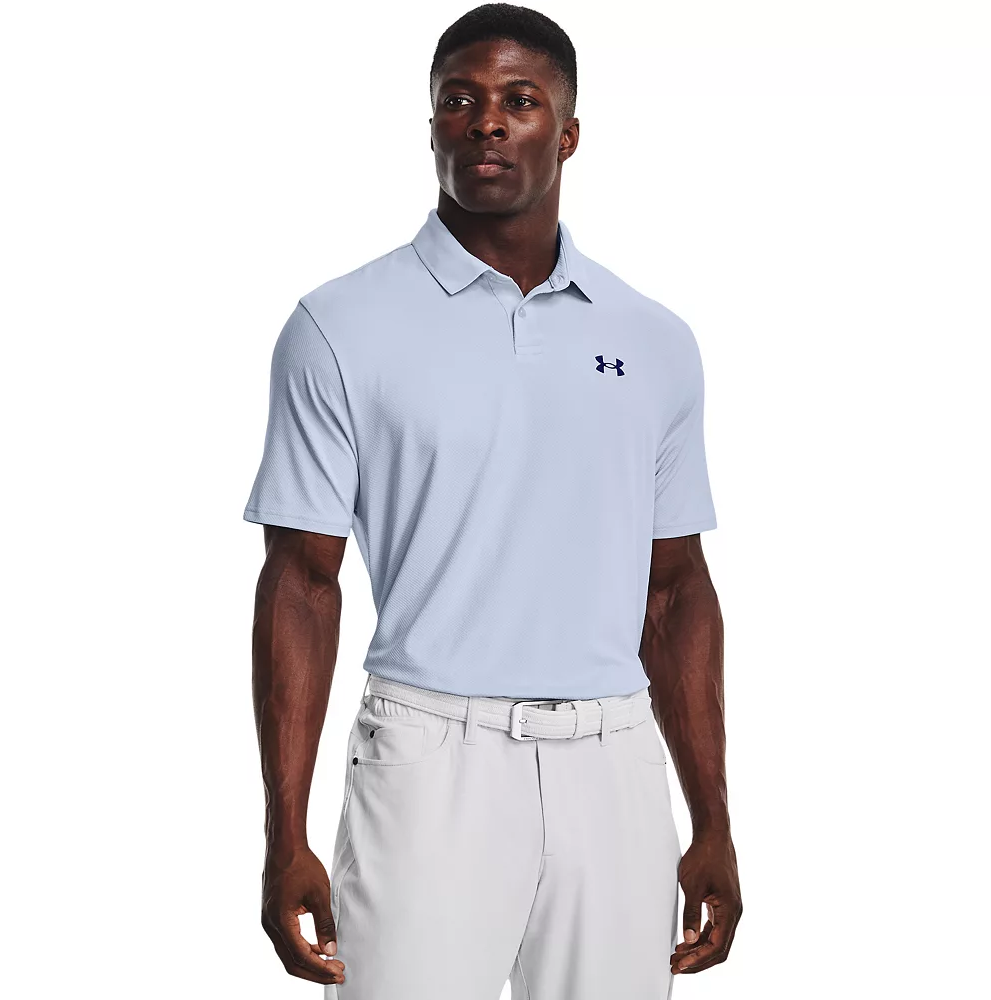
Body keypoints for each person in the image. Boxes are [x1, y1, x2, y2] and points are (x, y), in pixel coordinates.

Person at [243, 4, 741, 997]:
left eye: (520, 100)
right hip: (430, 756)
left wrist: (714, 819)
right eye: (458, 101)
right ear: (430, 126)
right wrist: (283, 832)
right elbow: (301, 583)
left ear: (567, 132)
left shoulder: (652, 339)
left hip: (615, 763)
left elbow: (675, 590)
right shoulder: (340, 325)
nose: (486, 122)